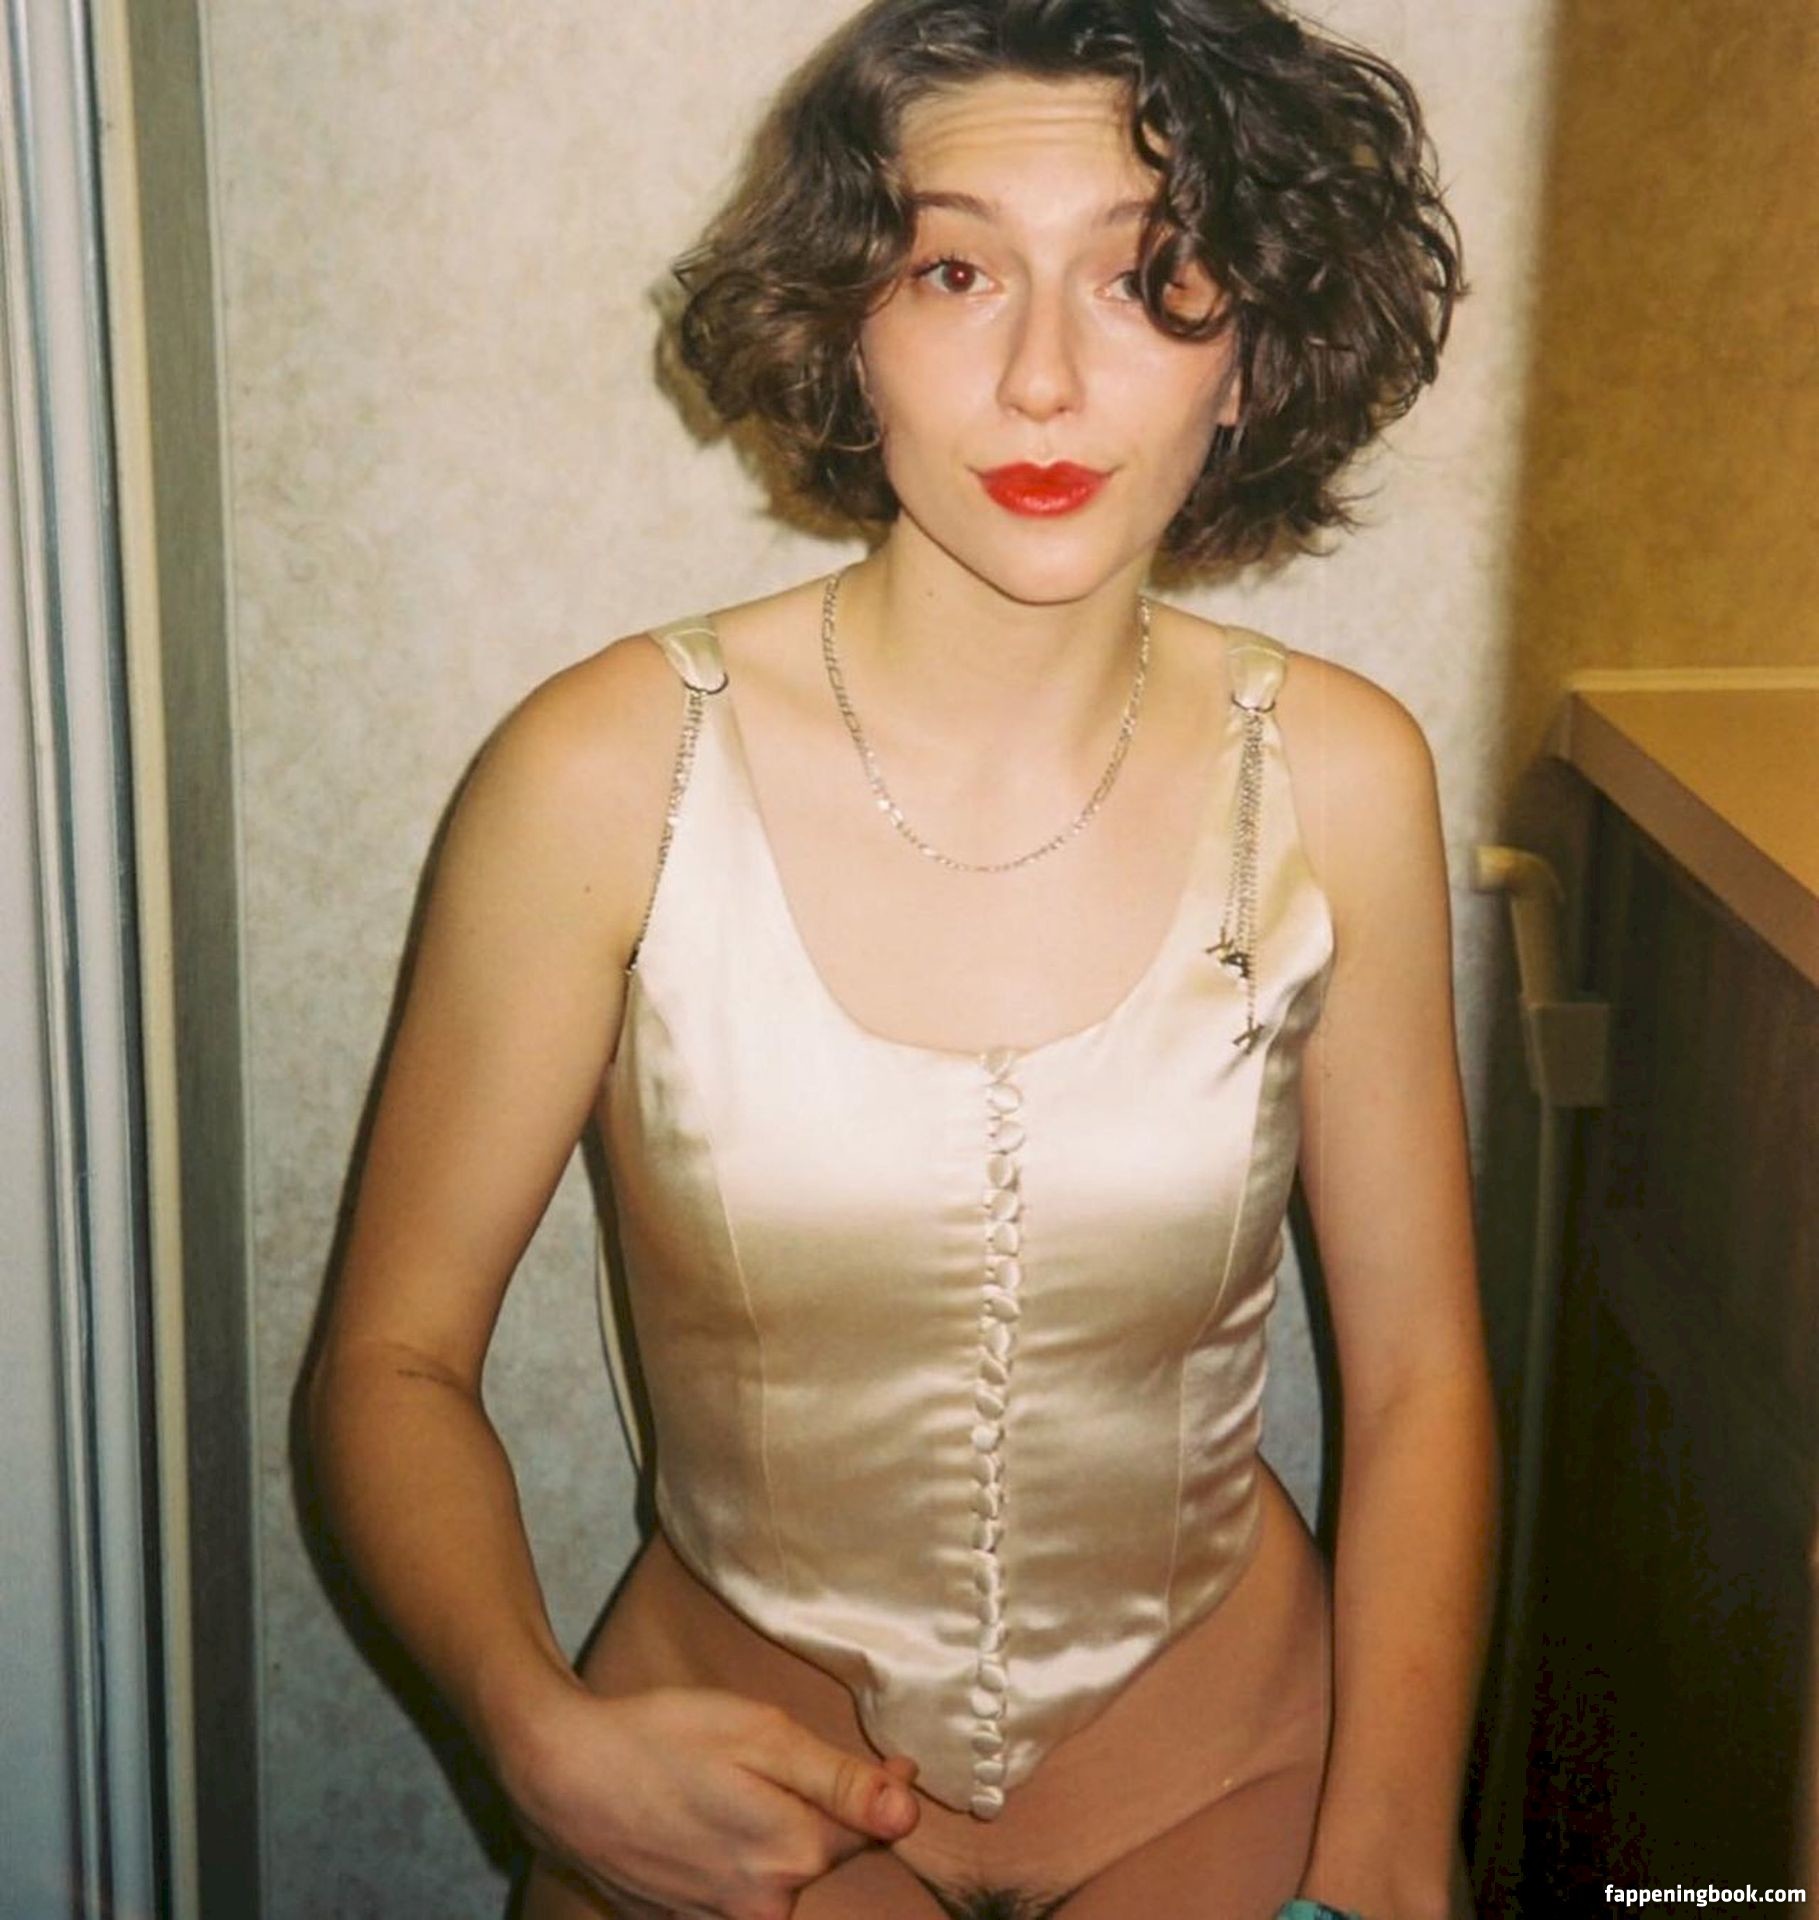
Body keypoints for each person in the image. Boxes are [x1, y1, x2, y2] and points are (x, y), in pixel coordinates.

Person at [305, 1, 1499, 1916]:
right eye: (957, 272)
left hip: (1243, 1777)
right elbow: (392, 1358)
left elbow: (1425, 1370)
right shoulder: (603, 775)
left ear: (1254, 352)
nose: (1044, 381)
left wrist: (1379, 1859)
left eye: (1150, 277)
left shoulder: (1343, 775)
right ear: (848, 327)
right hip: (729, 1799)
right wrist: (537, 1732)